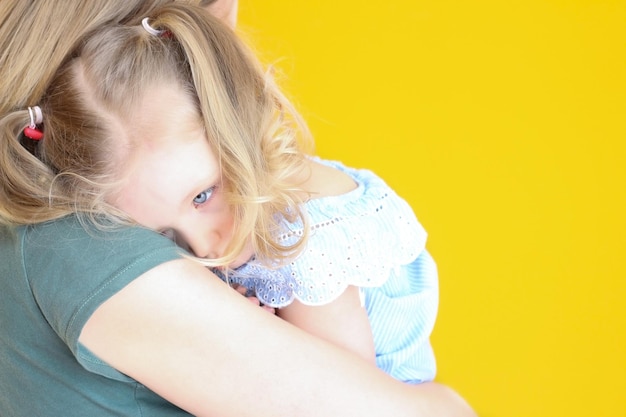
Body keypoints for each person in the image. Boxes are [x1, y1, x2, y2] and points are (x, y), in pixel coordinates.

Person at [0, 1, 477, 416]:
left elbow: (346, 393)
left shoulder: (304, 244)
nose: (206, 247)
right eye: (167, 236)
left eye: (204, 196)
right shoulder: (229, 211)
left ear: (236, 124)